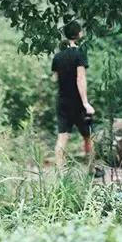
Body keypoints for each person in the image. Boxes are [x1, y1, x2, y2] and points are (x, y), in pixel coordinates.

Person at [51, 21, 95, 168]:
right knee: (88, 136)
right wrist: (85, 103)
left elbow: (54, 78)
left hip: (62, 100)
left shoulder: (57, 57)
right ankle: (91, 168)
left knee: (62, 137)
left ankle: (59, 171)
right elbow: (80, 78)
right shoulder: (79, 54)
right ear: (79, 34)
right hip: (77, 102)